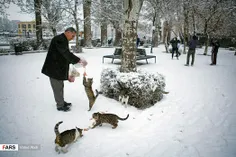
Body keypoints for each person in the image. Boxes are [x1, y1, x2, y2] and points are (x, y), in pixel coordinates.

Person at [41, 27, 88, 112]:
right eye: (72, 35)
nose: (73, 38)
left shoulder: (63, 39)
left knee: (60, 86)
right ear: (68, 32)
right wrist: (78, 60)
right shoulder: (59, 39)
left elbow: (63, 55)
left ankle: (61, 101)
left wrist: (74, 63)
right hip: (53, 68)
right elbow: (65, 53)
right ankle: (60, 105)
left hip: (57, 68)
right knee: (57, 87)